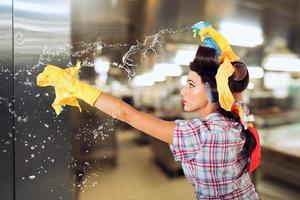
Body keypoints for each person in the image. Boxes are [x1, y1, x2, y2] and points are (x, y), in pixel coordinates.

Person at [37, 22, 260, 199]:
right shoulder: (238, 117)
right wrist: (223, 52)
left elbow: (127, 114)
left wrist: (78, 88)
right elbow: (235, 87)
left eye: (191, 85)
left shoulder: (198, 134)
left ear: (213, 90)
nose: (183, 91)